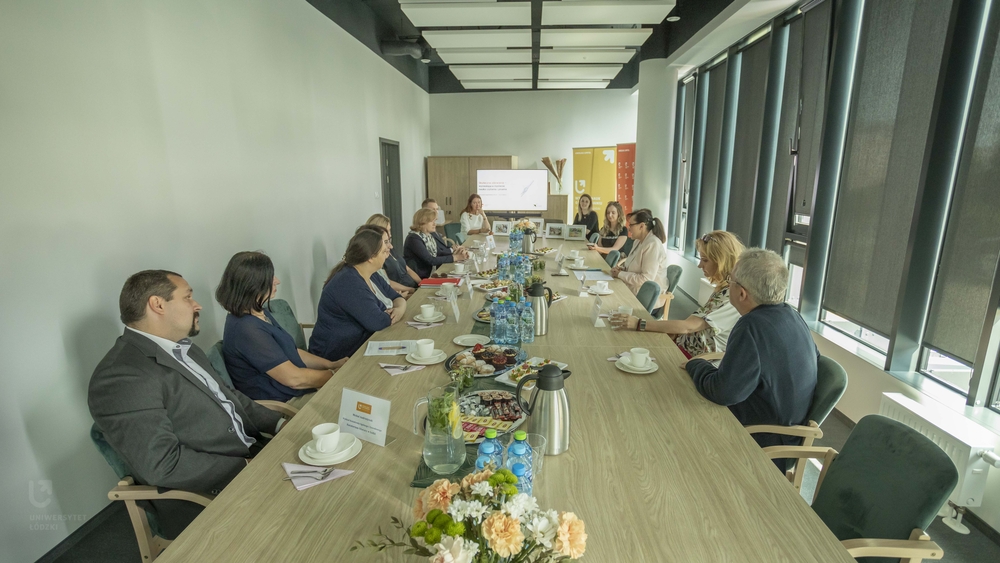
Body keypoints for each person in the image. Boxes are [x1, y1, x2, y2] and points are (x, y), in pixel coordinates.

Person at [89, 270, 284, 536]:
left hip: (253, 455)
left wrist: (280, 424)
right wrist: (248, 466)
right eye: (188, 297)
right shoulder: (123, 375)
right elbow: (164, 465)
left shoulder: (185, 347)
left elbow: (229, 396)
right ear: (158, 304)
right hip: (210, 496)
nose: (197, 305)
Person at [683, 248, 818, 465]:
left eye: (731, 280)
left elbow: (723, 392)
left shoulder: (751, 326)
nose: (728, 285)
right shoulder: (793, 315)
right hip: (788, 433)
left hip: (762, 440)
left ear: (742, 293)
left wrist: (696, 365)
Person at [216, 252, 345, 406]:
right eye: (270, 278)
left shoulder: (259, 313)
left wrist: (331, 364)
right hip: (286, 403)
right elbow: (293, 379)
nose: (277, 281)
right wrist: (333, 376)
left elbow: (291, 351)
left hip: (299, 390)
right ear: (253, 285)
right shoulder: (247, 330)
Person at [611, 230, 745, 358]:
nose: (699, 265)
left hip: (697, 359)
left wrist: (640, 324)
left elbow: (688, 326)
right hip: (686, 346)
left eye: (705, 260)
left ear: (721, 261)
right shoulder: (725, 289)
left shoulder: (730, 295)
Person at [309, 228, 407, 361]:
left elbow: (397, 297)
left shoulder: (371, 274)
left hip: (361, 346)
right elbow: (378, 322)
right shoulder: (348, 282)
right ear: (371, 257)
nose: (387, 255)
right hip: (337, 356)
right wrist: (395, 312)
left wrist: (399, 310)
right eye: (384, 252)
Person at [609, 208, 669, 310]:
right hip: (633, 289)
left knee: (609, 299)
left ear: (641, 226)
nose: (628, 228)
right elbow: (633, 267)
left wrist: (620, 274)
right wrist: (622, 270)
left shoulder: (653, 244)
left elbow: (646, 279)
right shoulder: (638, 241)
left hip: (647, 299)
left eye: (631, 225)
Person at [404, 208, 469, 279]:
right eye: (432, 221)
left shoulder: (428, 236)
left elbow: (439, 253)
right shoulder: (413, 238)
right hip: (421, 277)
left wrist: (457, 253)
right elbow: (430, 260)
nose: (435, 224)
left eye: (435, 221)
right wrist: (455, 257)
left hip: (432, 272)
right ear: (422, 222)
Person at [364, 214, 419, 295]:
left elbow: (407, 269)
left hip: (412, 287)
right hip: (402, 292)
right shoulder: (377, 256)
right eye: (388, 230)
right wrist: (411, 290)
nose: (390, 234)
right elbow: (386, 282)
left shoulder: (390, 248)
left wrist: (422, 283)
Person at [588, 201, 629, 266]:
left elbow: (614, 250)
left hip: (617, 261)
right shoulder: (603, 229)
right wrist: (593, 248)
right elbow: (600, 248)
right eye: (608, 213)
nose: (610, 215)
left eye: (613, 213)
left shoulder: (623, 230)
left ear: (619, 214)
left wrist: (597, 248)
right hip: (603, 259)